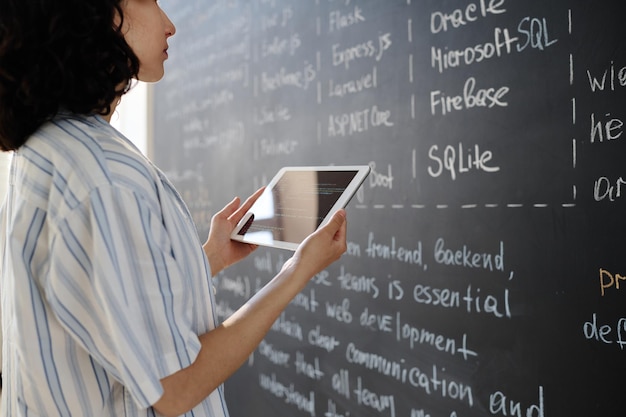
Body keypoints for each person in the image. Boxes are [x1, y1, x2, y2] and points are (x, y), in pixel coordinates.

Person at [0, 1, 348, 416]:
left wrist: (208, 259)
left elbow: (107, 303)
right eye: (149, 0)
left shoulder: (55, 148)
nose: (171, 25)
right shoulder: (105, 179)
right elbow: (176, 386)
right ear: (98, 15)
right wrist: (296, 272)